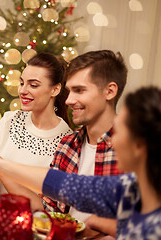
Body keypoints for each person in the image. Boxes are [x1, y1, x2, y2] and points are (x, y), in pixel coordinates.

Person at [0, 86, 161, 239]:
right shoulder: (131, 187)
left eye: (121, 131)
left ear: (140, 146)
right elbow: (70, 187)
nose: (113, 140)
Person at [40, 50, 127, 236]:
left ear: (109, 91)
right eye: (69, 90)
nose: (69, 100)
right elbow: (49, 208)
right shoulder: (67, 145)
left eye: (79, 90)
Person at [0, 53, 72, 210]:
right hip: (0, 215)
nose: (22, 90)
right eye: (22, 83)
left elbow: (44, 208)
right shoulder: (10, 119)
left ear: (55, 90)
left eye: (33, 85)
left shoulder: (67, 142)